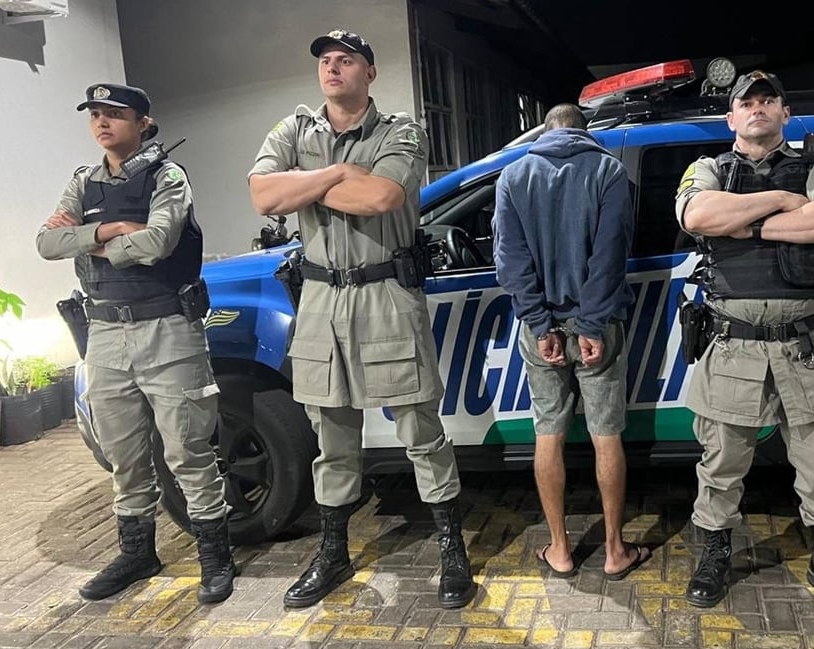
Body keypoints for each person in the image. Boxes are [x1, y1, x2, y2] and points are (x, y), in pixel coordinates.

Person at [247, 29, 473, 609]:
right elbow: (264, 197)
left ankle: (452, 550)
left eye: (346, 60)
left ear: (369, 73)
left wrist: (304, 186)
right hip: (321, 299)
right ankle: (333, 552)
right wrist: (338, 176)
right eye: (325, 60)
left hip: (385, 294)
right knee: (333, 438)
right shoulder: (294, 129)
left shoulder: (400, 130)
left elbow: (382, 199)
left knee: (422, 430)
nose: (333, 68)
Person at [37, 83, 236, 604]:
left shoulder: (167, 177)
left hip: (166, 328)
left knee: (188, 449)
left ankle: (215, 555)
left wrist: (85, 232)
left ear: (143, 123)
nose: (103, 123)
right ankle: (136, 552)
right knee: (123, 453)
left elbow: (156, 245)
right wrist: (109, 230)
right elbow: (46, 242)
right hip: (103, 331)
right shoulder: (83, 182)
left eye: (115, 114)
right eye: (96, 115)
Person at [674, 72, 814, 612]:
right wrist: (783, 201)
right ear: (731, 117)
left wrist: (748, 228)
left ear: (784, 112)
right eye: (746, 103)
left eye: (768, 100)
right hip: (733, 346)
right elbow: (697, 215)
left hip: (805, 347)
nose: (757, 108)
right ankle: (714, 556)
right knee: (720, 465)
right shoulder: (708, 169)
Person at [492, 103, 649, 580]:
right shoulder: (608, 171)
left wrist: (542, 327)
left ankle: (559, 550)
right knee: (606, 438)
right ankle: (615, 552)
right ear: (585, 131)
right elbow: (610, 256)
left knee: (548, 435)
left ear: (546, 131)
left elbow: (510, 261)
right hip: (597, 330)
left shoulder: (513, 176)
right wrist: (589, 325)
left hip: (541, 335)